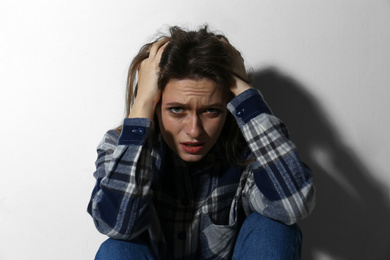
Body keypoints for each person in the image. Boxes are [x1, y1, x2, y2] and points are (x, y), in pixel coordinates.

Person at [87, 25, 315, 260]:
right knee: (116, 249)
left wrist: (241, 88)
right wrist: (142, 102)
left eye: (211, 111)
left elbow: (293, 206)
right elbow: (116, 227)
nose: (194, 131)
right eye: (177, 110)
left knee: (275, 229)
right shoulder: (118, 145)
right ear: (155, 106)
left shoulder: (246, 151)